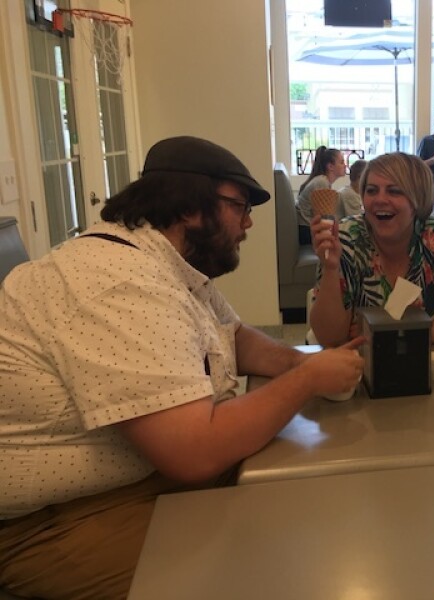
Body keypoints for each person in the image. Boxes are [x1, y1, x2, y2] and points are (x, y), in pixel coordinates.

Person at [0, 136, 364, 599]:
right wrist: (307, 378)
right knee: (264, 565)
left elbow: (231, 335)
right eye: (240, 205)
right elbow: (194, 451)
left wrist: (299, 358)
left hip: (137, 477)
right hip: (49, 522)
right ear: (191, 209)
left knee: (298, 500)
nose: (249, 223)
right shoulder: (115, 282)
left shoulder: (162, 261)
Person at [310, 152, 434, 347]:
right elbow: (329, 339)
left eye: (394, 191)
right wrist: (331, 269)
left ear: (417, 198)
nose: (380, 199)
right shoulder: (345, 239)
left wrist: (387, 332)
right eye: (372, 190)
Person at [296, 145, 347, 243]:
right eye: (341, 162)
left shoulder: (322, 181)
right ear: (330, 166)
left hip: (306, 228)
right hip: (306, 230)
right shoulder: (321, 182)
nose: (345, 165)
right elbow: (325, 217)